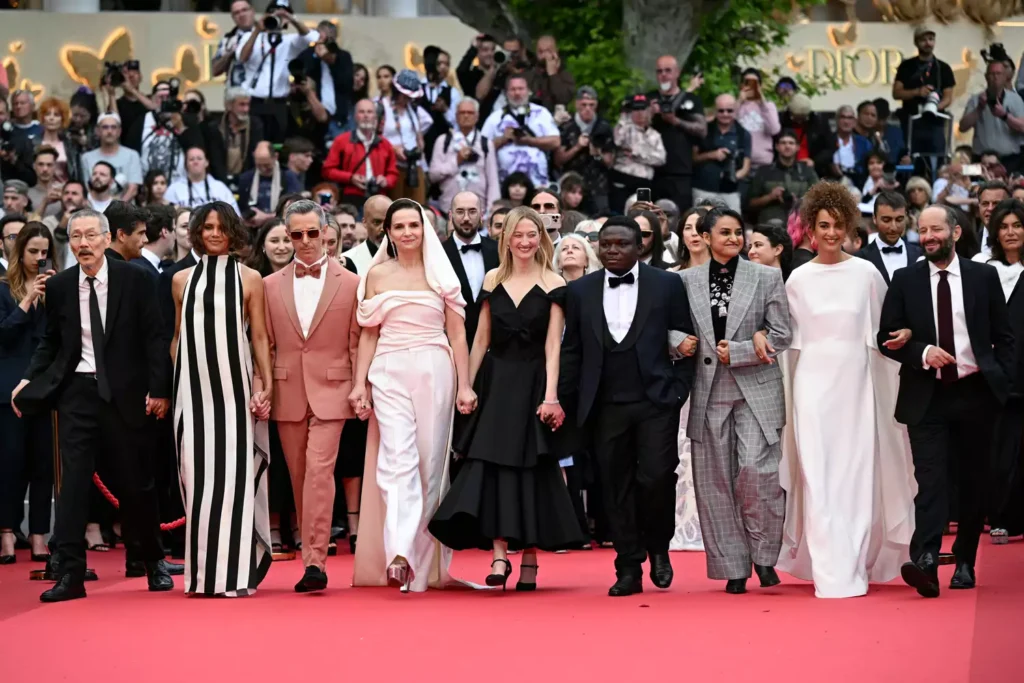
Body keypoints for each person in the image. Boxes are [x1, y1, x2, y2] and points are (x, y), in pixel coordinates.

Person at [11, 209, 172, 602]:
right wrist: (30, 377)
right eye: (76, 237)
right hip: (77, 393)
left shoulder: (135, 278)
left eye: (90, 235)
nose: (83, 243)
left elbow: (154, 337)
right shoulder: (62, 286)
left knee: (137, 484)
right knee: (74, 486)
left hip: (126, 394)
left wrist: (159, 389)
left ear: (105, 238)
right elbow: (51, 341)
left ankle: (152, 561)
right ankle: (70, 574)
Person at [430, 205, 582, 588]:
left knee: (531, 467)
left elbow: (553, 346)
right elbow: (480, 339)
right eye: (518, 235)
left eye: (532, 235)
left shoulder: (553, 283)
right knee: (492, 467)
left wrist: (550, 396)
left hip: (533, 382)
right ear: (507, 239)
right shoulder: (493, 279)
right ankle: (500, 558)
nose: (526, 241)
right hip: (495, 384)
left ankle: (528, 559)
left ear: (541, 239)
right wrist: (466, 384)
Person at [777, 182, 916, 598]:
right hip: (812, 388)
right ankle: (828, 571)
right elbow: (791, 344)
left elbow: (883, 333)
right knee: (818, 477)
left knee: (855, 477)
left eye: (838, 225)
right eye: (824, 226)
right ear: (811, 231)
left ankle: (854, 564)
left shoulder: (866, 273)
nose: (832, 233)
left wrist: (904, 338)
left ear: (850, 227)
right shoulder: (798, 278)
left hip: (858, 387)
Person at [878, 204, 1013, 598]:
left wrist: (999, 379)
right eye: (922, 230)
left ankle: (966, 559)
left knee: (973, 482)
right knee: (931, 481)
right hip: (927, 395)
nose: (929, 236)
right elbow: (885, 337)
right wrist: (921, 352)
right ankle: (925, 560)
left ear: (955, 232)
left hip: (976, 391)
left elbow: (1005, 335)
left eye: (936, 229)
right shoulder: (904, 279)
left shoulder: (983, 276)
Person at [559, 216, 696, 596]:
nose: (613, 250)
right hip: (604, 406)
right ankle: (628, 566)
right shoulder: (581, 290)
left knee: (656, 478)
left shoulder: (667, 284)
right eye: (607, 244)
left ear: (640, 248)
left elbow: (685, 339)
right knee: (614, 487)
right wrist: (566, 401)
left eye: (622, 244)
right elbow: (572, 353)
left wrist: (678, 391)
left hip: (656, 402)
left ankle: (659, 547)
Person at [350, 199, 476, 593]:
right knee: (396, 457)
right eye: (399, 226)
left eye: (414, 225)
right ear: (387, 231)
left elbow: (458, 334)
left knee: (430, 463)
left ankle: (421, 566)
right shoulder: (376, 275)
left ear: (425, 230)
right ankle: (399, 552)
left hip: (435, 370)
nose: (407, 232)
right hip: (388, 370)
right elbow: (368, 332)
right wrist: (359, 384)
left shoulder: (442, 273)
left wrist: (466, 383)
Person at [673, 208, 791, 594]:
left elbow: (782, 333)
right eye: (724, 232)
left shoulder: (767, 275)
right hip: (707, 389)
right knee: (715, 482)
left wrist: (740, 350)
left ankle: (765, 556)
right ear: (704, 237)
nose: (734, 239)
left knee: (758, 474)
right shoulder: (683, 281)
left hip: (757, 386)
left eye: (738, 232)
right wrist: (677, 343)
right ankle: (733, 566)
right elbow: (667, 327)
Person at [171, 201, 274, 597]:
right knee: (196, 480)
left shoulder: (250, 279)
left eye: (221, 227)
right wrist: (179, 377)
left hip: (234, 389)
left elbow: (260, 337)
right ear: (197, 232)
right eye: (207, 227)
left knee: (233, 479)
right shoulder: (180, 280)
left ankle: (233, 575)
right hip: (192, 392)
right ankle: (200, 577)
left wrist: (265, 385)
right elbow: (178, 337)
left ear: (233, 232)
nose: (214, 233)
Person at [258, 200, 360, 592]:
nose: (303, 242)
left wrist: (359, 386)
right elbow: (263, 345)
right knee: (301, 477)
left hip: (333, 389)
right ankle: (312, 552)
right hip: (287, 391)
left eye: (311, 233)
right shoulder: (268, 286)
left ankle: (315, 561)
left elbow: (356, 341)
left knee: (319, 472)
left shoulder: (351, 282)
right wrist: (261, 388)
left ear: (326, 235)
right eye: (295, 235)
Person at [0, 223, 56, 564]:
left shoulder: (57, 288)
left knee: (42, 465)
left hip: (44, 389)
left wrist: (47, 298)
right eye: (32, 251)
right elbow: (3, 335)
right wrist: (28, 299)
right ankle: (6, 532)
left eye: (44, 252)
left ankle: (38, 535)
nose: (38, 258)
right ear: (19, 252)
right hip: (8, 390)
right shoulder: (4, 289)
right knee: (9, 464)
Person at [971, 200, 1024, 544]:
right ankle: (997, 514)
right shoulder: (983, 269)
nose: (1010, 232)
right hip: (989, 373)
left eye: (1017, 225)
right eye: (1004, 226)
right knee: (995, 447)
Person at [234, 0, 319, 144]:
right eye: (273, 12)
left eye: (283, 13)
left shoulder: (290, 41)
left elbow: (313, 38)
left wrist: (291, 19)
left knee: (277, 147)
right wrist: (257, 30)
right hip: (255, 102)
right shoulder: (250, 37)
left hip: (279, 104)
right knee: (254, 145)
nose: (277, 17)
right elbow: (242, 58)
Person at [441, 191, 499, 350]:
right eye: (460, 211)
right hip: (450, 344)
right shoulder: (437, 254)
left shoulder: (498, 251)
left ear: (481, 215)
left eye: (472, 211)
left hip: (494, 345)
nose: (466, 218)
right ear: (451, 215)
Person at [481, 74, 561, 189]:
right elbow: (482, 148)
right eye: (513, 89)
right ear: (506, 93)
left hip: (538, 184)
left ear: (528, 91)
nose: (517, 93)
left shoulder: (542, 113)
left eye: (521, 89)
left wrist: (529, 140)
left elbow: (555, 141)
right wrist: (504, 139)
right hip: (506, 186)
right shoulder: (496, 117)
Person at [893, 27, 955, 164]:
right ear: (916, 43)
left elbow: (948, 97)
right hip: (911, 123)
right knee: (911, 162)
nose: (928, 43)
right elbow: (896, 93)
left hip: (935, 123)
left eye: (931, 39)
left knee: (939, 162)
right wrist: (917, 92)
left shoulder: (943, 68)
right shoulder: (906, 67)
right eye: (923, 40)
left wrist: (934, 108)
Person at [322, 100, 399, 211]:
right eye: (362, 112)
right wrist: (350, 178)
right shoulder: (341, 141)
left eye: (370, 112)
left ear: (375, 116)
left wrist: (385, 180)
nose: (366, 115)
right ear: (355, 116)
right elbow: (327, 170)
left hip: (378, 197)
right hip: (350, 197)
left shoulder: (385, 144)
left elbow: (393, 174)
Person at [428, 98, 500, 215]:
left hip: (478, 212)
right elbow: (433, 175)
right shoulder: (443, 141)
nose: (466, 116)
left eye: (470, 113)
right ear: (456, 116)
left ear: (477, 117)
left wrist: (492, 211)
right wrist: (456, 161)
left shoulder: (486, 144)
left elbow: (493, 180)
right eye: (462, 113)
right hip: (447, 210)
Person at [692, 94, 750, 212]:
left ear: (735, 110)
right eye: (721, 111)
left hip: (731, 192)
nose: (725, 114)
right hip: (703, 188)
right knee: (700, 226)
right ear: (715, 111)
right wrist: (711, 155)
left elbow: (746, 166)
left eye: (729, 110)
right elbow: (692, 159)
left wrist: (732, 177)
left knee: (734, 226)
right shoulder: (703, 130)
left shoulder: (743, 134)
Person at [610, 95, 666, 215]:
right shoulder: (625, 129)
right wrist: (624, 114)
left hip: (644, 183)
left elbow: (661, 159)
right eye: (635, 109)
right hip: (624, 179)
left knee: (643, 216)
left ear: (648, 111)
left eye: (642, 109)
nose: (639, 113)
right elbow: (617, 141)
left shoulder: (654, 135)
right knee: (620, 215)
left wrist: (637, 155)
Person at [748, 130, 818, 225]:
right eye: (783, 143)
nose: (787, 146)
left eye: (791, 143)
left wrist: (800, 202)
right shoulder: (764, 171)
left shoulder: (807, 171)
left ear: (797, 147)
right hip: (771, 221)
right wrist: (770, 197)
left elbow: (820, 199)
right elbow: (750, 203)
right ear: (777, 146)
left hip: (801, 220)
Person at [855, 190, 923, 285]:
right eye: (886, 220)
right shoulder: (860, 259)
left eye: (899, 220)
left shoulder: (919, 255)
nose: (893, 227)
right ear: (874, 219)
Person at [80, 113, 143, 203]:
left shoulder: (132, 155)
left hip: (125, 210)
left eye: (113, 127)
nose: (109, 131)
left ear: (119, 131)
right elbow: (87, 187)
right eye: (105, 127)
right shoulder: (87, 158)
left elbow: (133, 189)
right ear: (97, 131)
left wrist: (116, 209)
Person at [164, 148, 240, 213]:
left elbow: (235, 215)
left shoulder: (220, 188)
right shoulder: (174, 189)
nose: (195, 162)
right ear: (186, 164)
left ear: (206, 162)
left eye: (199, 158)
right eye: (191, 159)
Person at [341, 194, 391, 275]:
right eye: (377, 222)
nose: (383, 228)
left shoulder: (407, 258)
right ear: (364, 222)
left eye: (388, 222)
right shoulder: (347, 260)